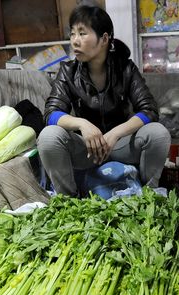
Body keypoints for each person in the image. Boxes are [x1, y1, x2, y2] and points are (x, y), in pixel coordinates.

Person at [37, 5, 170, 197]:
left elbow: (149, 110)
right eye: (72, 34)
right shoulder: (68, 71)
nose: (75, 41)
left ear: (104, 39)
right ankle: (68, 201)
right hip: (86, 149)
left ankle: (149, 196)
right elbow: (50, 113)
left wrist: (115, 133)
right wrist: (82, 124)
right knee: (49, 136)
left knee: (158, 133)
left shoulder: (125, 69)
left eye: (82, 33)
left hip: (120, 146)